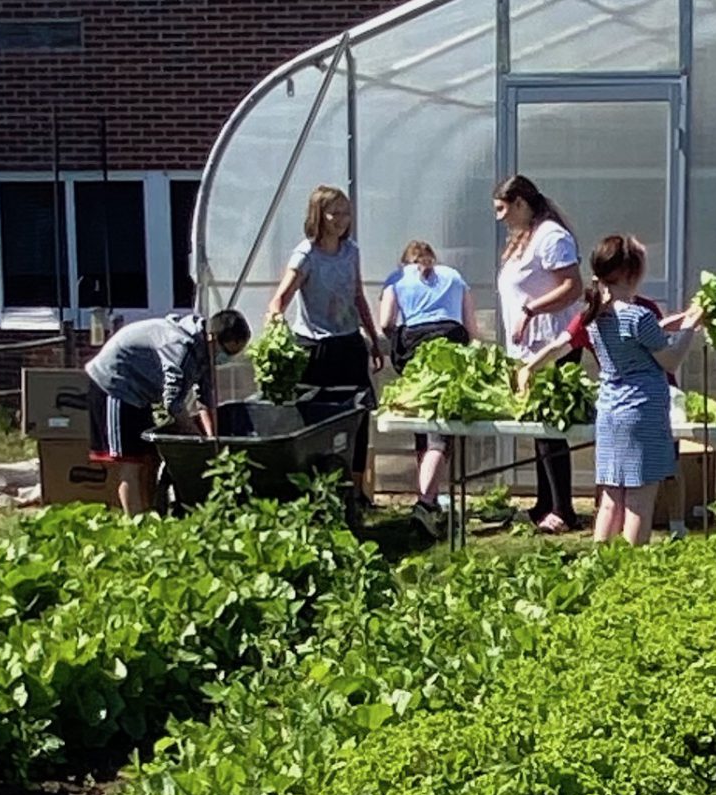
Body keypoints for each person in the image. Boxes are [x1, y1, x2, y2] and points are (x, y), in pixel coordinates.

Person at [524, 234, 701, 546]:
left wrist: (529, 368)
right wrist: (691, 327)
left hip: (610, 412)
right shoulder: (639, 315)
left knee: (610, 499)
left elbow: (640, 335)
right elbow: (671, 360)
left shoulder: (594, 315)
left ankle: (599, 566)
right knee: (639, 503)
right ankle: (628, 574)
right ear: (632, 273)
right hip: (642, 414)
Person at [265, 186, 385, 497]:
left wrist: (372, 338)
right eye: (335, 213)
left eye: (346, 213)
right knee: (313, 418)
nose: (342, 220)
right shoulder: (306, 254)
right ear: (319, 215)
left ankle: (356, 492)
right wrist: (275, 323)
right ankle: (312, 490)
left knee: (358, 416)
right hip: (315, 347)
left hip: (349, 344)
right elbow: (281, 299)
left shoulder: (351, 251)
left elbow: (357, 296)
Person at [83, 308, 249, 515]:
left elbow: (206, 399)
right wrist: (196, 439)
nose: (227, 358)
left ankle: (154, 513)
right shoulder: (180, 349)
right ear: (212, 338)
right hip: (115, 385)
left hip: (141, 393)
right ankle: (136, 526)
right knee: (131, 463)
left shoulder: (204, 352)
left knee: (151, 458)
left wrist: (212, 440)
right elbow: (172, 403)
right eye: (227, 351)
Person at [494, 174, 585, 533]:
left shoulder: (551, 237)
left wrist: (531, 310)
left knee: (550, 426)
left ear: (520, 203)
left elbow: (572, 286)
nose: (499, 216)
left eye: (502, 208)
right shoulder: (526, 238)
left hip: (552, 345)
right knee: (538, 425)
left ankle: (563, 509)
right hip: (528, 349)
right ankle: (544, 502)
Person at [377, 240, 472, 537]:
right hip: (450, 341)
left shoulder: (397, 279)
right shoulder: (454, 276)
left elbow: (386, 322)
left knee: (426, 424)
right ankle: (429, 499)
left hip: (412, 346)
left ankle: (426, 501)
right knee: (440, 428)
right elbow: (471, 327)